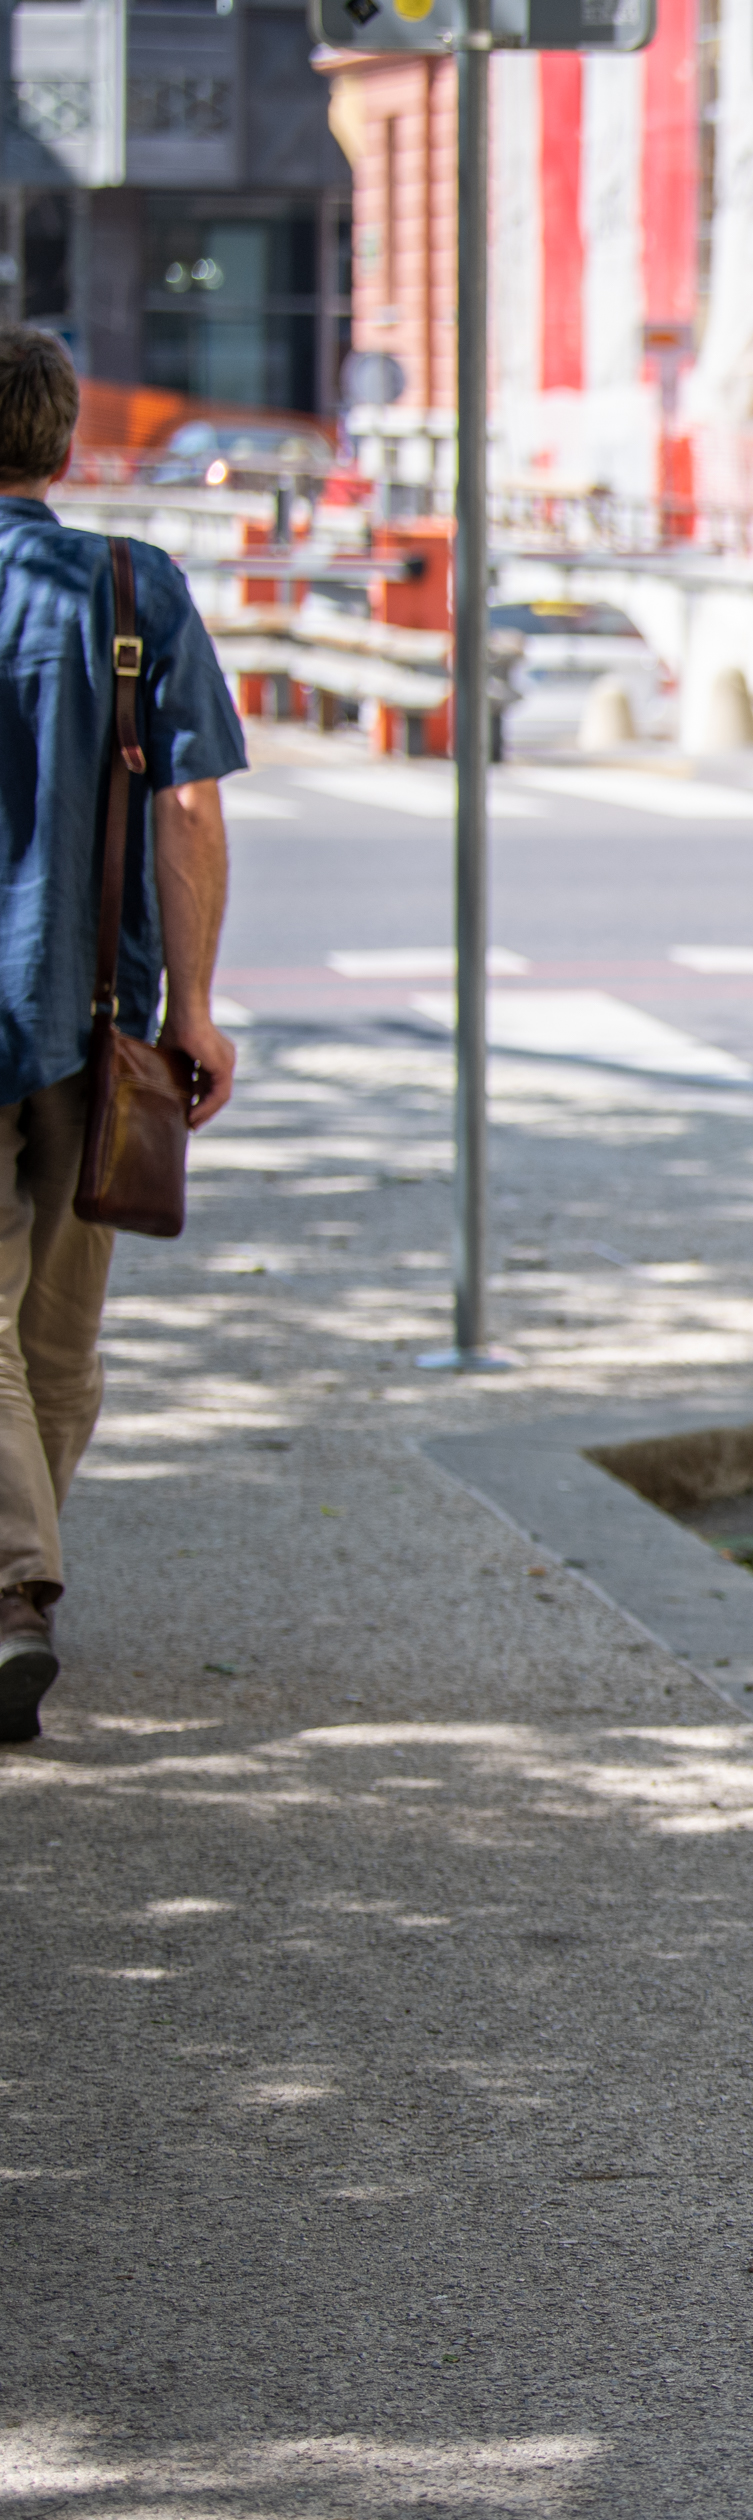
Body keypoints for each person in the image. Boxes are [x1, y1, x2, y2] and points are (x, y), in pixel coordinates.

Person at [0, 324, 244, 1741]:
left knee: (11, 1327)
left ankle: (11, 1593)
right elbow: (192, 806)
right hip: (98, 1020)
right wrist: (195, 1007)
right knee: (62, 1336)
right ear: (68, 445)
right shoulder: (131, 587)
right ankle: (24, 1584)